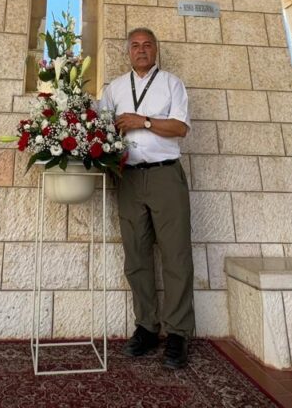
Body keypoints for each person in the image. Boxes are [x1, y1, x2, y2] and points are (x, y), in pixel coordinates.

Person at [99, 27, 193, 369]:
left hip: (165, 175)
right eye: (136, 45)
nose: (141, 50)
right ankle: (147, 327)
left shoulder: (171, 84)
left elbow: (180, 128)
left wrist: (145, 122)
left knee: (175, 255)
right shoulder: (114, 88)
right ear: (128, 52)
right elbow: (102, 128)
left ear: (156, 50)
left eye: (148, 45)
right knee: (136, 256)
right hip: (129, 178)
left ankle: (178, 333)